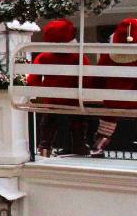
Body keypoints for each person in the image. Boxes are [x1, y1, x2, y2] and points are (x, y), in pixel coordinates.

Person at [27, 19, 91, 156]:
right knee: (78, 119)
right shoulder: (78, 56)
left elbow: (33, 79)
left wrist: (39, 91)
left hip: (52, 99)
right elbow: (87, 78)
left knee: (49, 119)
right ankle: (79, 145)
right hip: (74, 99)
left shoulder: (43, 56)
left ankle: (45, 146)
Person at [91, 18, 137, 157]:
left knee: (109, 113)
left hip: (112, 101)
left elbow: (97, 80)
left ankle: (100, 142)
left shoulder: (107, 55)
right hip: (134, 101)